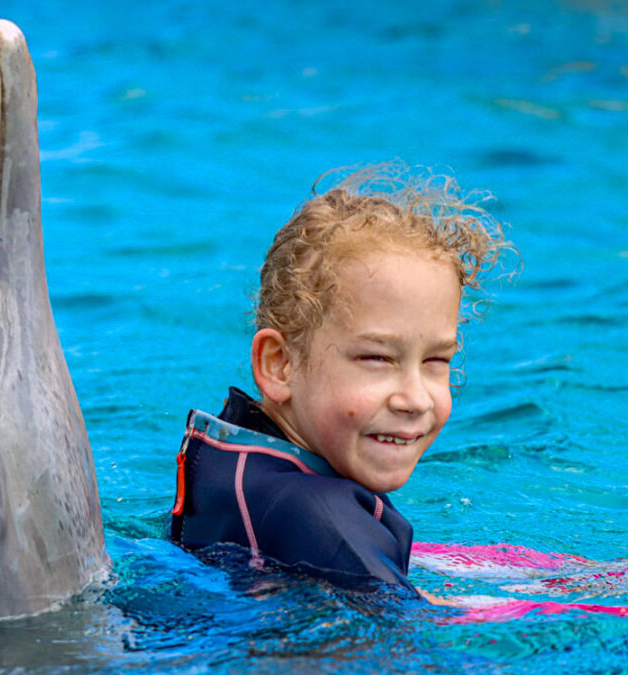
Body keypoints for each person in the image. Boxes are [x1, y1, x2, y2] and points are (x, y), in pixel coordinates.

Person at [168, 161, 516, 594]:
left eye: (435, 361)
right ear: (279, 364)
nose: (416, 399)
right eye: (377, 359)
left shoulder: (253, 465)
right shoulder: (320, 516)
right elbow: (414, 637)